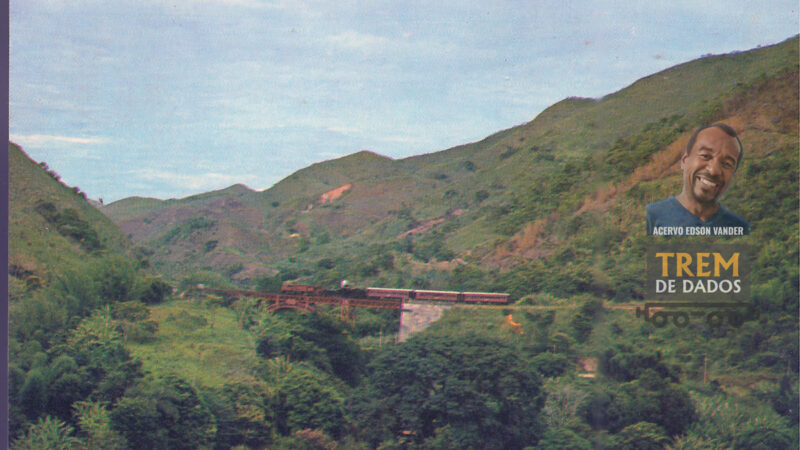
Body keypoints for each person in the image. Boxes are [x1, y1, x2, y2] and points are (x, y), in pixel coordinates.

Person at [646, 123, 749, 236]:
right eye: (705, 156)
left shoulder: (739, 228)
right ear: (684, 160)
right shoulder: (652, 216)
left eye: (727, 164)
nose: (714, 170)